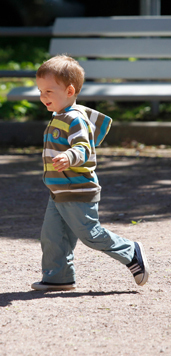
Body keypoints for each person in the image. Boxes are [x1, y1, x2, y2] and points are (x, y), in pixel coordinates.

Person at [31, 55, 149, 291]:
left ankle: (131, 252)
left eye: (48, 91)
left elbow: (83, 147)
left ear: (70, 90)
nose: (42, 97)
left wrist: (68, 156)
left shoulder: (75, 119)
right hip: (59, 190)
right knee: (53, 236)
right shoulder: (60, 116)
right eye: (40, 91)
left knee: (90, 234)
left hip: (77, 189)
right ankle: (58, 277)